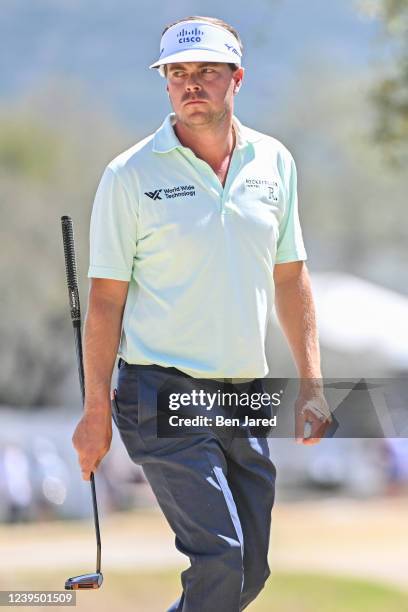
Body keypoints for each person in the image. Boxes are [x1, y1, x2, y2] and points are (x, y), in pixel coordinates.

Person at [72, 15, 332, 611]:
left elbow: (291, 277)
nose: (191, 85)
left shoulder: (275, 163)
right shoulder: (129, 176)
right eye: (178, 74)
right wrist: (94, 411)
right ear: (165, 83)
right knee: (220, 560)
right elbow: (106, 300)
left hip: (244, 394)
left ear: (237, 77)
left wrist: (313, 384)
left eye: (206, 72)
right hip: (159, 390)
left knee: (251, 571)